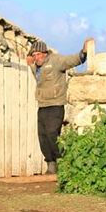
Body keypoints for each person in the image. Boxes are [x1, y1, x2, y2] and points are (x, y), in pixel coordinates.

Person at [25, 39, 92, 175]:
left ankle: (61, 161)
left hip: (56, 104)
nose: (36, 57)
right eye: (34, 55)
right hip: (42, 104)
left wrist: (83, 52)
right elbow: (31, 63)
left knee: (52, 133)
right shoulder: (35, 66)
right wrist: (29, 59)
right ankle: (51, 164)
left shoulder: (56, 61)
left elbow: (72, 60)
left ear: (45, 53)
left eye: (38, 54)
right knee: (42, 136)